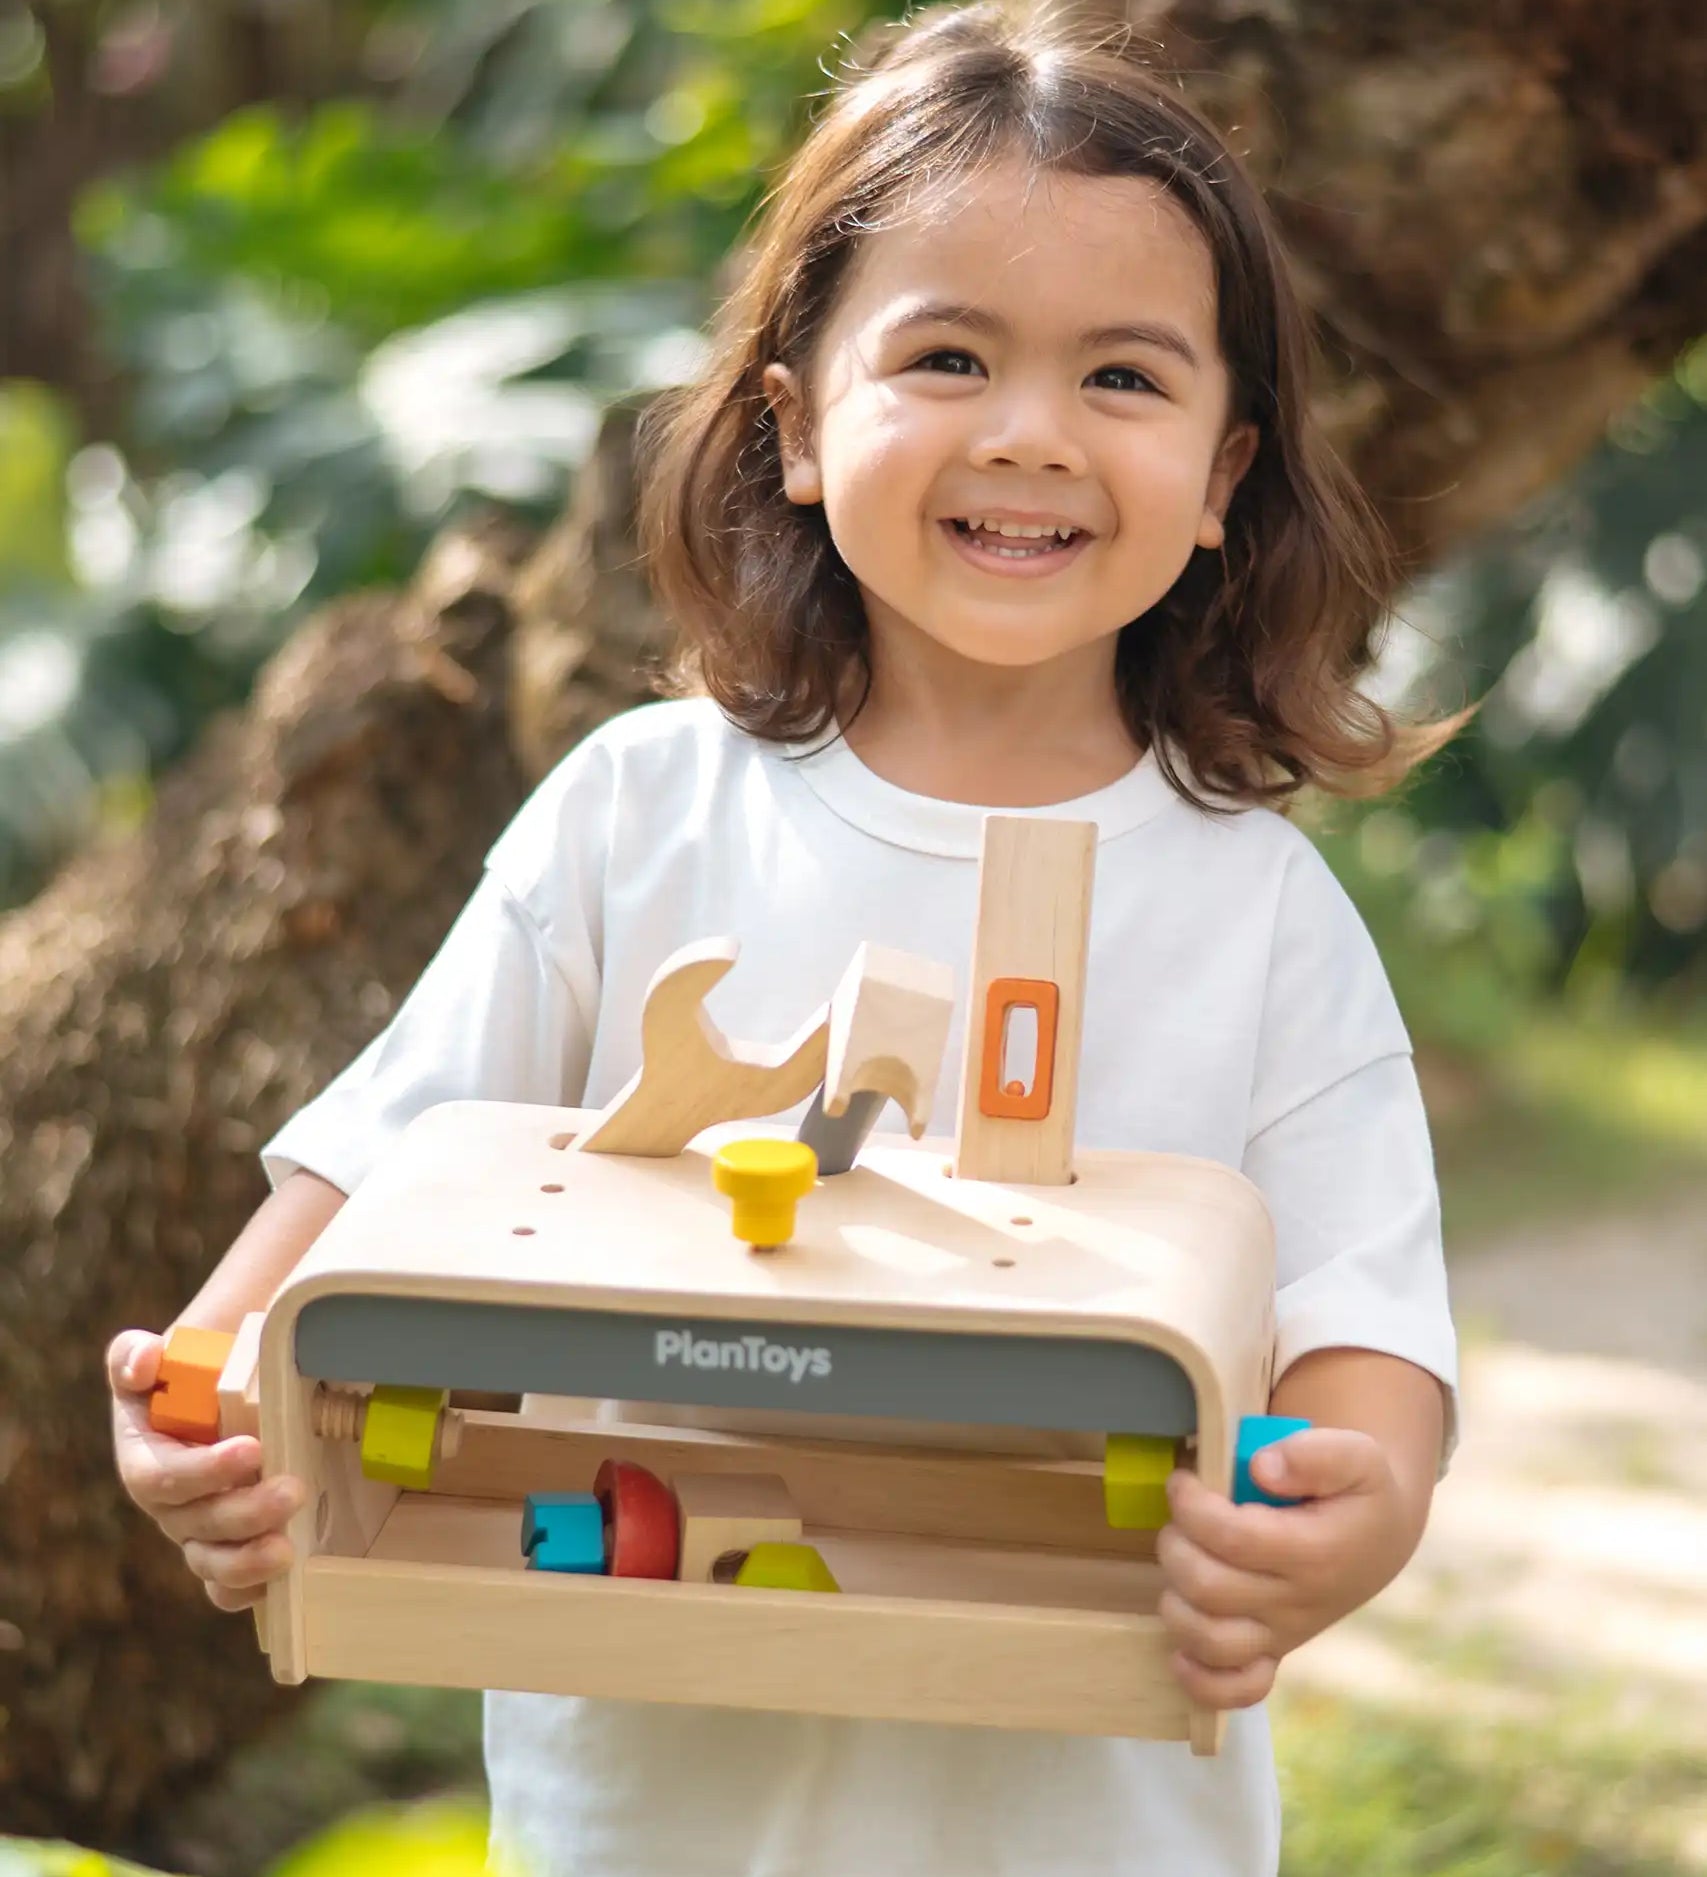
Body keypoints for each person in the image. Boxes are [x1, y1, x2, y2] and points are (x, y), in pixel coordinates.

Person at [109, 4, 1460, 1872]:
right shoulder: (636, 810)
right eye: (951, 353)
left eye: (1125, 379)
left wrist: (1347, 1512)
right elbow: (385, 1156)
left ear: (1228, 476)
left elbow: (1369, 1330)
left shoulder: (1263, 913)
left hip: (1086, 1814)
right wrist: (212, 1370)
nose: (1030, 433)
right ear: (798, 425)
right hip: (648, 1808)